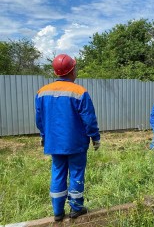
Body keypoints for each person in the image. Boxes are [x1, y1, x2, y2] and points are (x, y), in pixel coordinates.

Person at [35, 54, 100, 221]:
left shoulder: (42, 92)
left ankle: (58, 212)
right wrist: (95, 137)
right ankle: (76, 209)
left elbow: (40, 119)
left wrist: (44, 135)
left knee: (57, 173)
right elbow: (89, 118)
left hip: (54, 143)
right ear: (72, 70)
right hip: (76, 143)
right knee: (77, 172)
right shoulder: (80, 92)